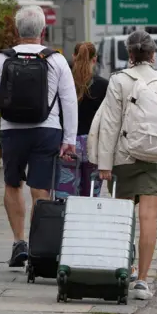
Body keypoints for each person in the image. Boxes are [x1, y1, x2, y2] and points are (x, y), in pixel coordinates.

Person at [89, 30, 157, 300]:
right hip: (156, 158)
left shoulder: (119, 81)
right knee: (149, 219)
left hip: (124, 158)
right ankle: (143, 281)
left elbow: (110, 123)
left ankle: (126, 268)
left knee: (124, 219)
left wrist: (104, 163)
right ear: (153, 54)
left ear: (129, 54)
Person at [0, 5, 78, 268]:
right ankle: (40, 249)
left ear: (16, 30)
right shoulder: (55, 60)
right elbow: (69, 102)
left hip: (12, 130)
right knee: (40, 189)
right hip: (48, 131)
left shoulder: (1, 59)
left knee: (12, 185)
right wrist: (69, 139)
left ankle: (19, 242)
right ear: (43, 31)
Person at [57, 42, 109, 198]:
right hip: (93, 146)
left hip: (67, 145)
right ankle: (88, 221)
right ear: (95, 59)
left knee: (66, 196)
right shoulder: (103, 85)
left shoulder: (63, 83)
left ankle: (66, 221)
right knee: (91, 195)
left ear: (73, 57)